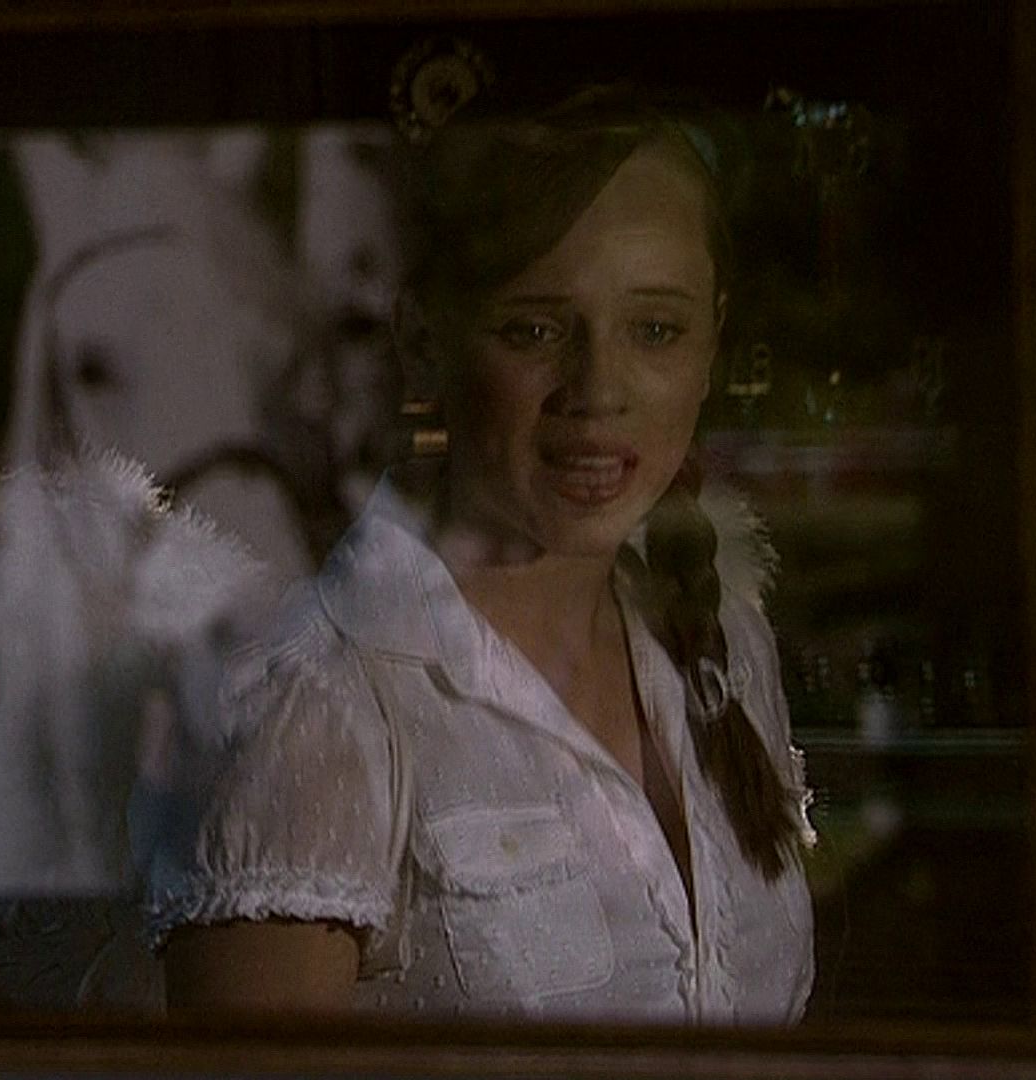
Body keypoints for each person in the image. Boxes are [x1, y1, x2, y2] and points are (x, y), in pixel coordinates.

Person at [143, 83, 818, 1024]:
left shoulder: (727, 652)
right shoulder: (313, 700)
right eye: (535, 329)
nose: (599, 389)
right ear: (426, 341)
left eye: (656, 329)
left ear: (712, 343)